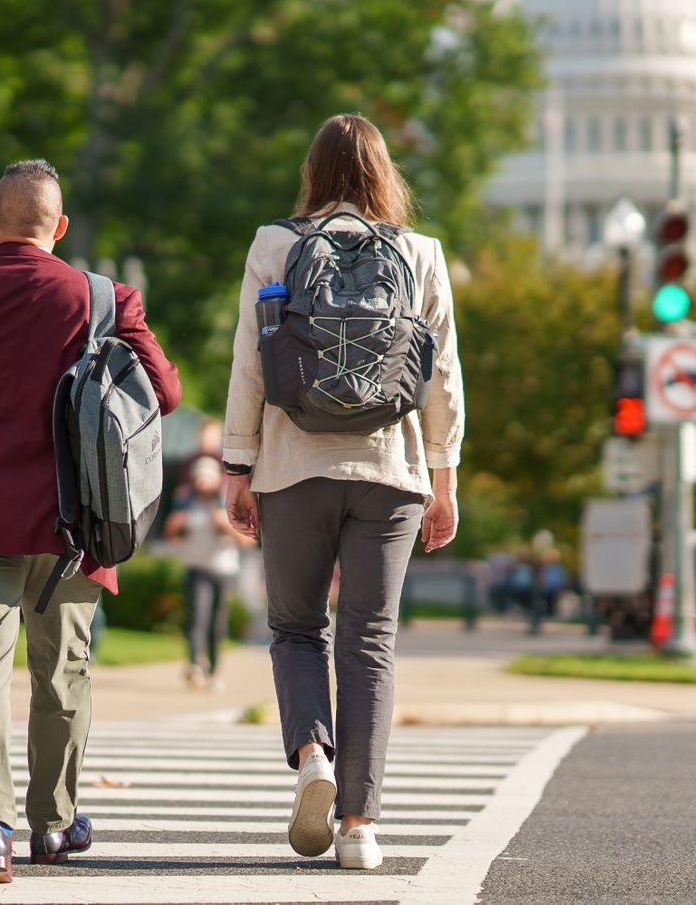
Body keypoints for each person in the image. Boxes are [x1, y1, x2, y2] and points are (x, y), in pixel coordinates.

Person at [0, 159, 182, 884]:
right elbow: (165, 395)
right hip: (74, 518)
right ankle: (51, 826)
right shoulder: (105, 298)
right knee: (64, 670)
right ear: (61, 227)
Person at [221, 114, 464, 871]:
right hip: (391, 472)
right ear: (385, 173)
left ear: (314, 171)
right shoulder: (421, 252)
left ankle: (312, 758)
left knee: (297, 630)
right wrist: (443, 478)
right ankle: (359, 826)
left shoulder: (275, 244)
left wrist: (238, 466)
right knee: (371, 642)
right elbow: (444, 374)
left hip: (293, 466)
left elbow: (250, 364)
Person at [165, 455, 250, 689]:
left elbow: (248, 541)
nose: (202, 483)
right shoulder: (185, 502)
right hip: (196, 567)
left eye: (206, 477)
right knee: (197, 618)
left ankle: (214, 671)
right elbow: (170, 533)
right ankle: (194, 666)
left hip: (224, 570)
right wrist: (177, 523)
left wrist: (224, 525)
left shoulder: (227, 502)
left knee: (216, 623)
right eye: (198, 477)